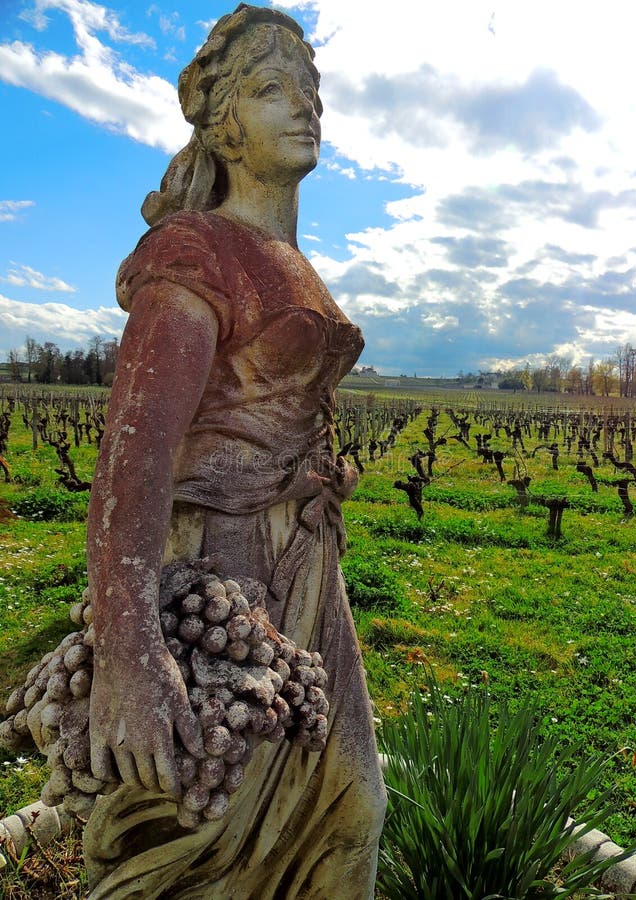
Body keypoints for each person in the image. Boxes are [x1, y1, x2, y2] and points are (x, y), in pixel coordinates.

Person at [83, 4, 387, 897]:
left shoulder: (292, 260)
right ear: (223, 124)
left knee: (348, 809)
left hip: (306, 572)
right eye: (269, 90)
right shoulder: (195, 250)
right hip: (219, 572)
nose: (304, 106)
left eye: (310, 89)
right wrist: (129, 652)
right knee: (212, 843)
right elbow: (130, 461)